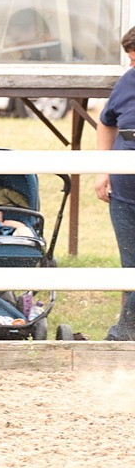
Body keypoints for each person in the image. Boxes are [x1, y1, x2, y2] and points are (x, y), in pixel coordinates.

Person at [94, 25, 135, 341]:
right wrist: (103, 169)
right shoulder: (127, 82)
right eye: (132, 60)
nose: (133, 66)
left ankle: (121, 334)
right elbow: (106, 123)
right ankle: (126, 331)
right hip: (124, 192)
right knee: (129, 264)